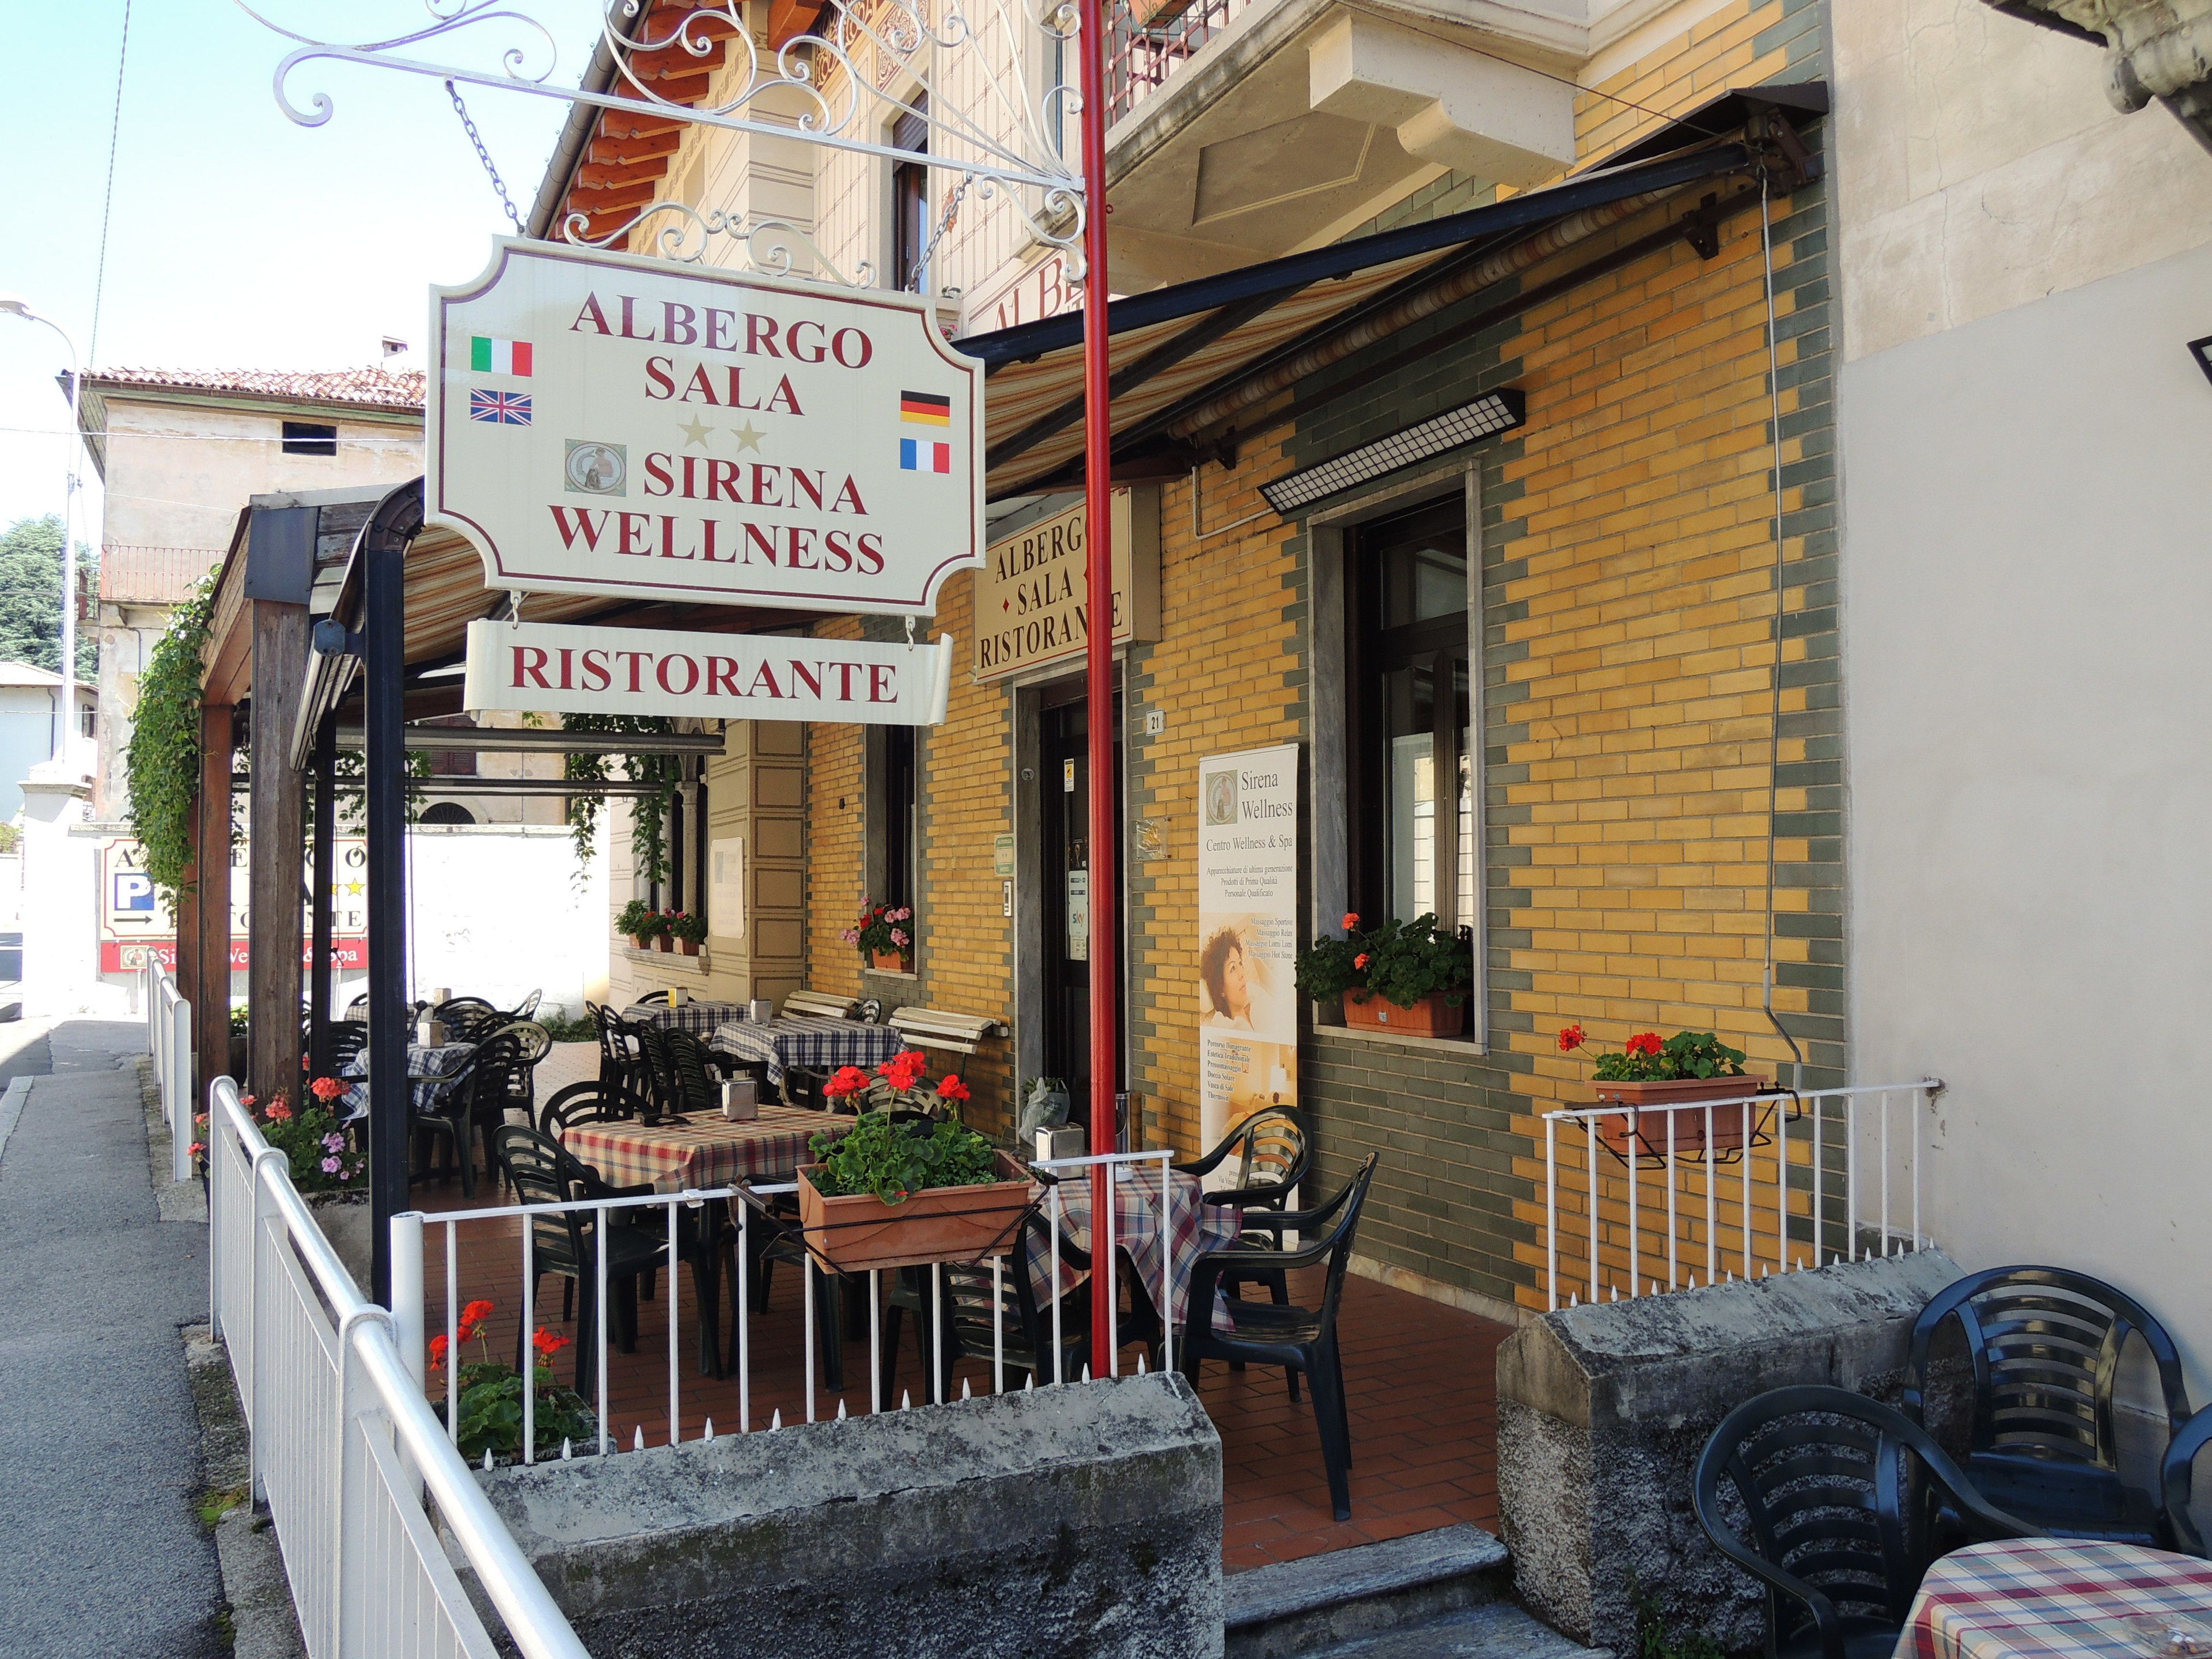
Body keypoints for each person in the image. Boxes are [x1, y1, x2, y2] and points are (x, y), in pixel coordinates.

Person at [1199, 926, 1256, 1031]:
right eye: (1233, 968)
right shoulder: (1231, 1029)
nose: (1242, 974)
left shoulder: (1259, 1005)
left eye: (1240, 963)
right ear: (1221, 988)